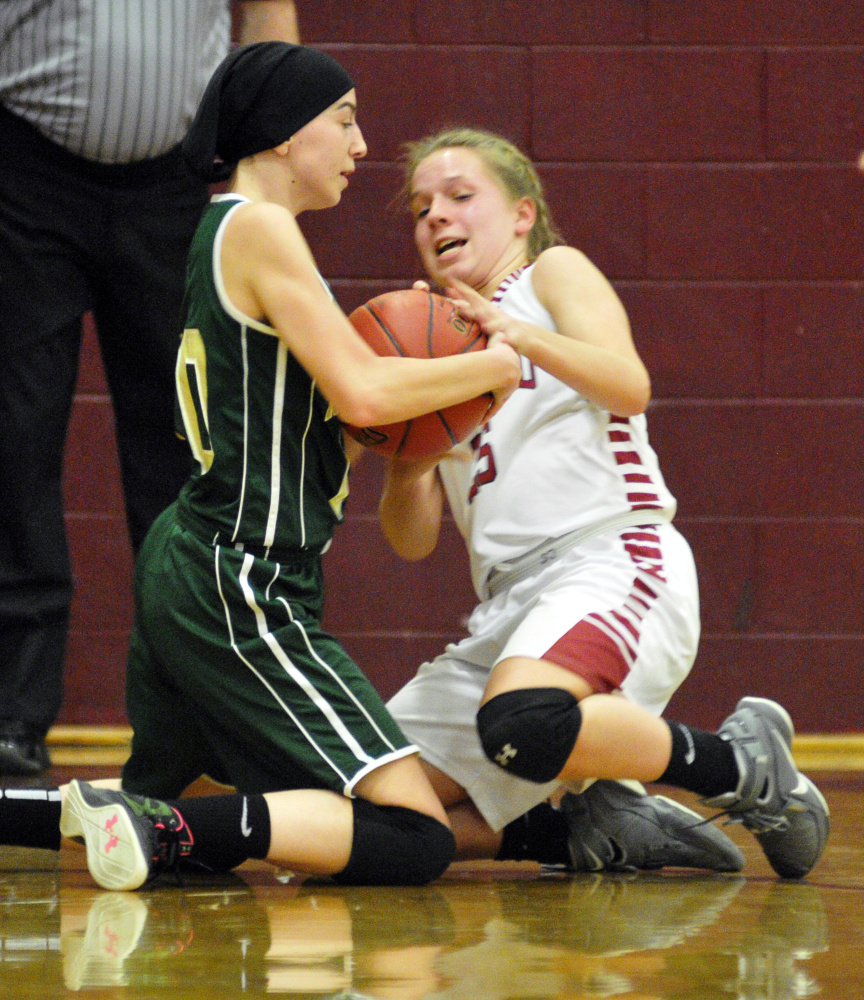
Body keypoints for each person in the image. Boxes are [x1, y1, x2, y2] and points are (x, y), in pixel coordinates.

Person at [32, 43, 522, 894]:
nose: (361, 144)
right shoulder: (258, 226)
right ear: (285, 133)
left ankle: (125, 821)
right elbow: (365, 392)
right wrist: (496, 366)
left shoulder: (226, 229)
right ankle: (158, 829)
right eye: (344, 119)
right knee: (412, 835)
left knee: (155, 803)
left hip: (196, 560)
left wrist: (408, 430)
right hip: (241, 575)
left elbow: (342, 412)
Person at [379, 127, 830, 879]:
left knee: (520, 720)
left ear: (522, 215)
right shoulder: (432, 347)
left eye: (460, 196)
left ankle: (738, 765)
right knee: (368, 812)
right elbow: (412, 540)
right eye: (421, 206)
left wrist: (514, 336)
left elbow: (628, 384)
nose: (435, 216)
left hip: (609, 560)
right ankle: (586, 827)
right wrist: (402, 457)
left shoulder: (550, 274)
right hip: (506, 611)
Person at [0, 0, 299, 776]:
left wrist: (269, 153)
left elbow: (267, 9)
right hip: (20, 171)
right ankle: (10, 715)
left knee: (185, 444)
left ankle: (196, 704)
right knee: (14, 439)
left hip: (175, 183)